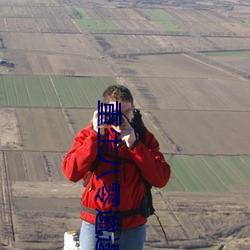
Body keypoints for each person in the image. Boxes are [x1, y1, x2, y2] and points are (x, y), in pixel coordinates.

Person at [62, 85, 171, 250]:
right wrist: (96, 136)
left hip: (132, 226)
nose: (122, 118)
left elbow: (161, 178)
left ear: (133, 111)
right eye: (116, 113)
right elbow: (71, 172)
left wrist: (135, 146)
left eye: (127, 112)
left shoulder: (144, 138)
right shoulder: (89, 135)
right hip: (97, 223)